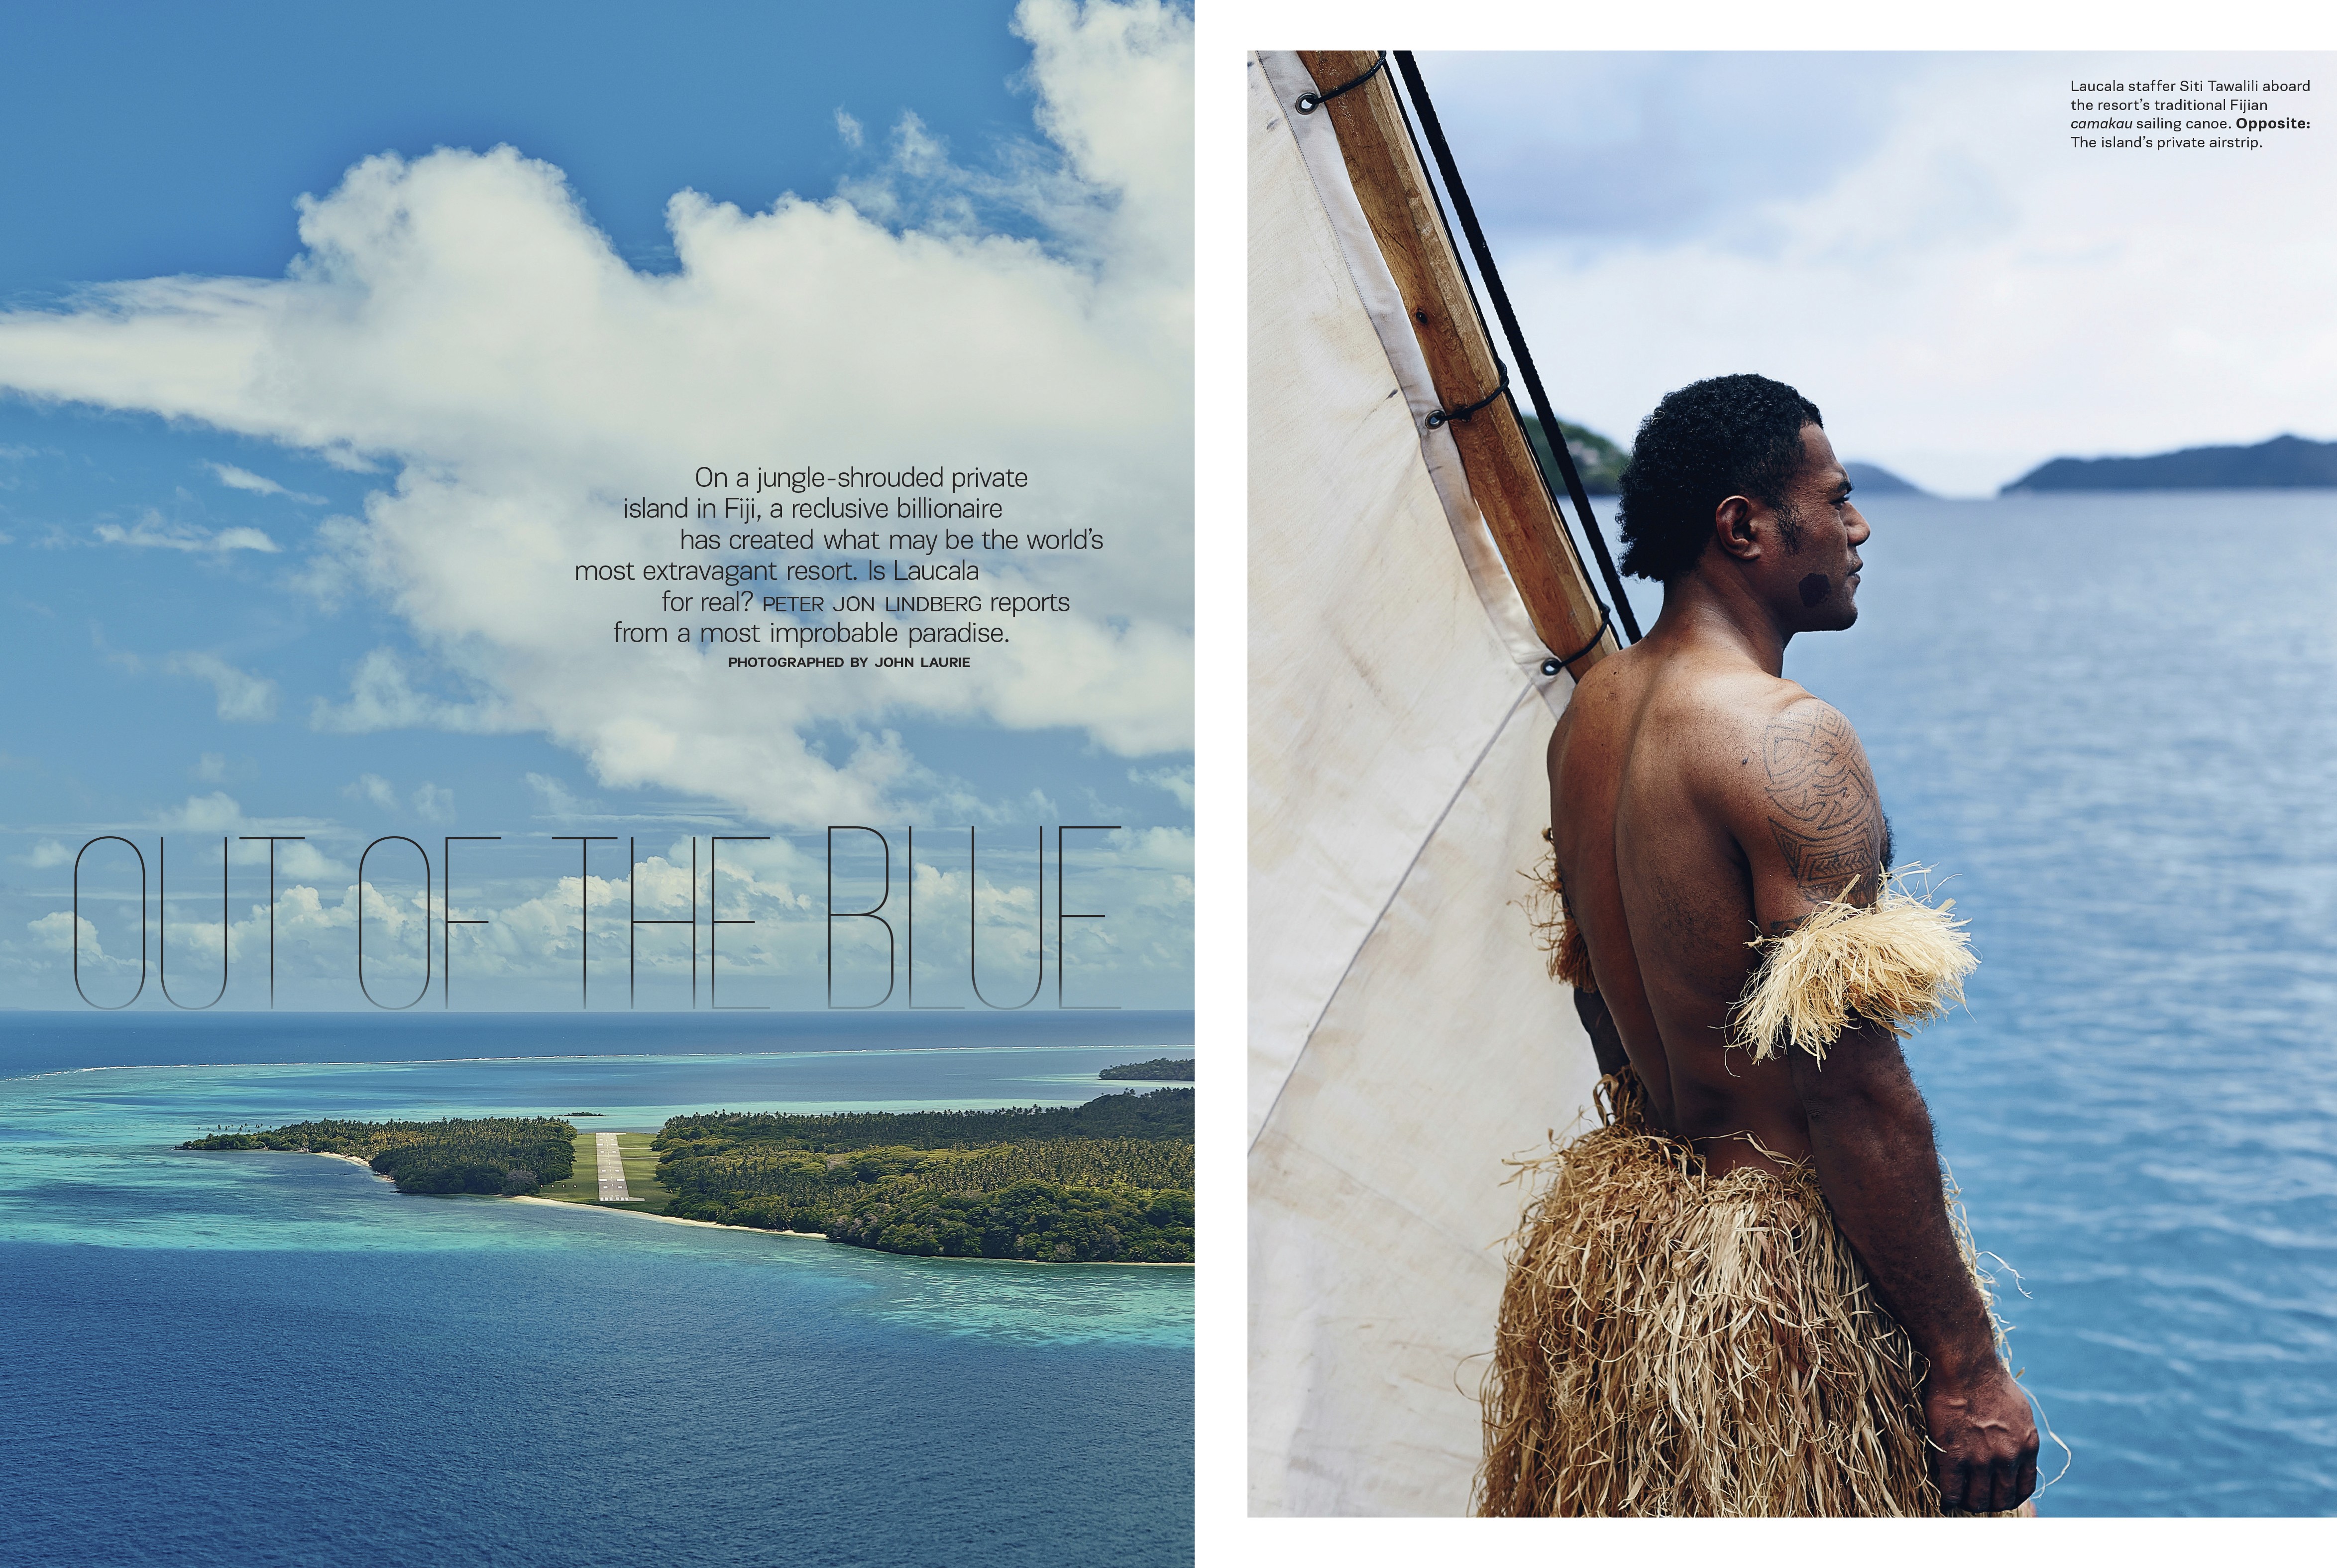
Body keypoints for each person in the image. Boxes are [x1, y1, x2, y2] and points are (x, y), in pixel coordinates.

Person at [1476, 374, 2041, 1517]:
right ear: (1742, 524)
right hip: (1778, 1306)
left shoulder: (1592, 717)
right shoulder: (1785, 739)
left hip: (1643, 1266)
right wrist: (1966, 1367)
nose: (1858, 526)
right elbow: (1853, 1088)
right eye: (1833, 499)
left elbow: (1593, 986)